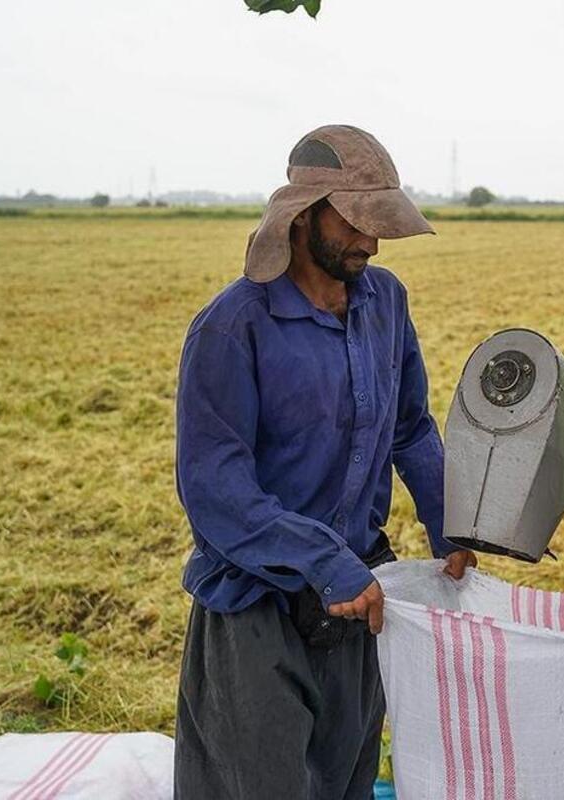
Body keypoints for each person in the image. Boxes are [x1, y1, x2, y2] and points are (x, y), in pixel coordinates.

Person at [173, 124, 476, 799]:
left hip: (358, 598)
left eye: (378, 226)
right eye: (355, 224)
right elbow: (214, 488)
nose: (370, 242)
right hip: (258, 606)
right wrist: (321, 559)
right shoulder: (232, 328)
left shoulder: (383, 302)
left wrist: (448, 521)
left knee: (345, 780)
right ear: (301, 217)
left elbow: (410, 426)